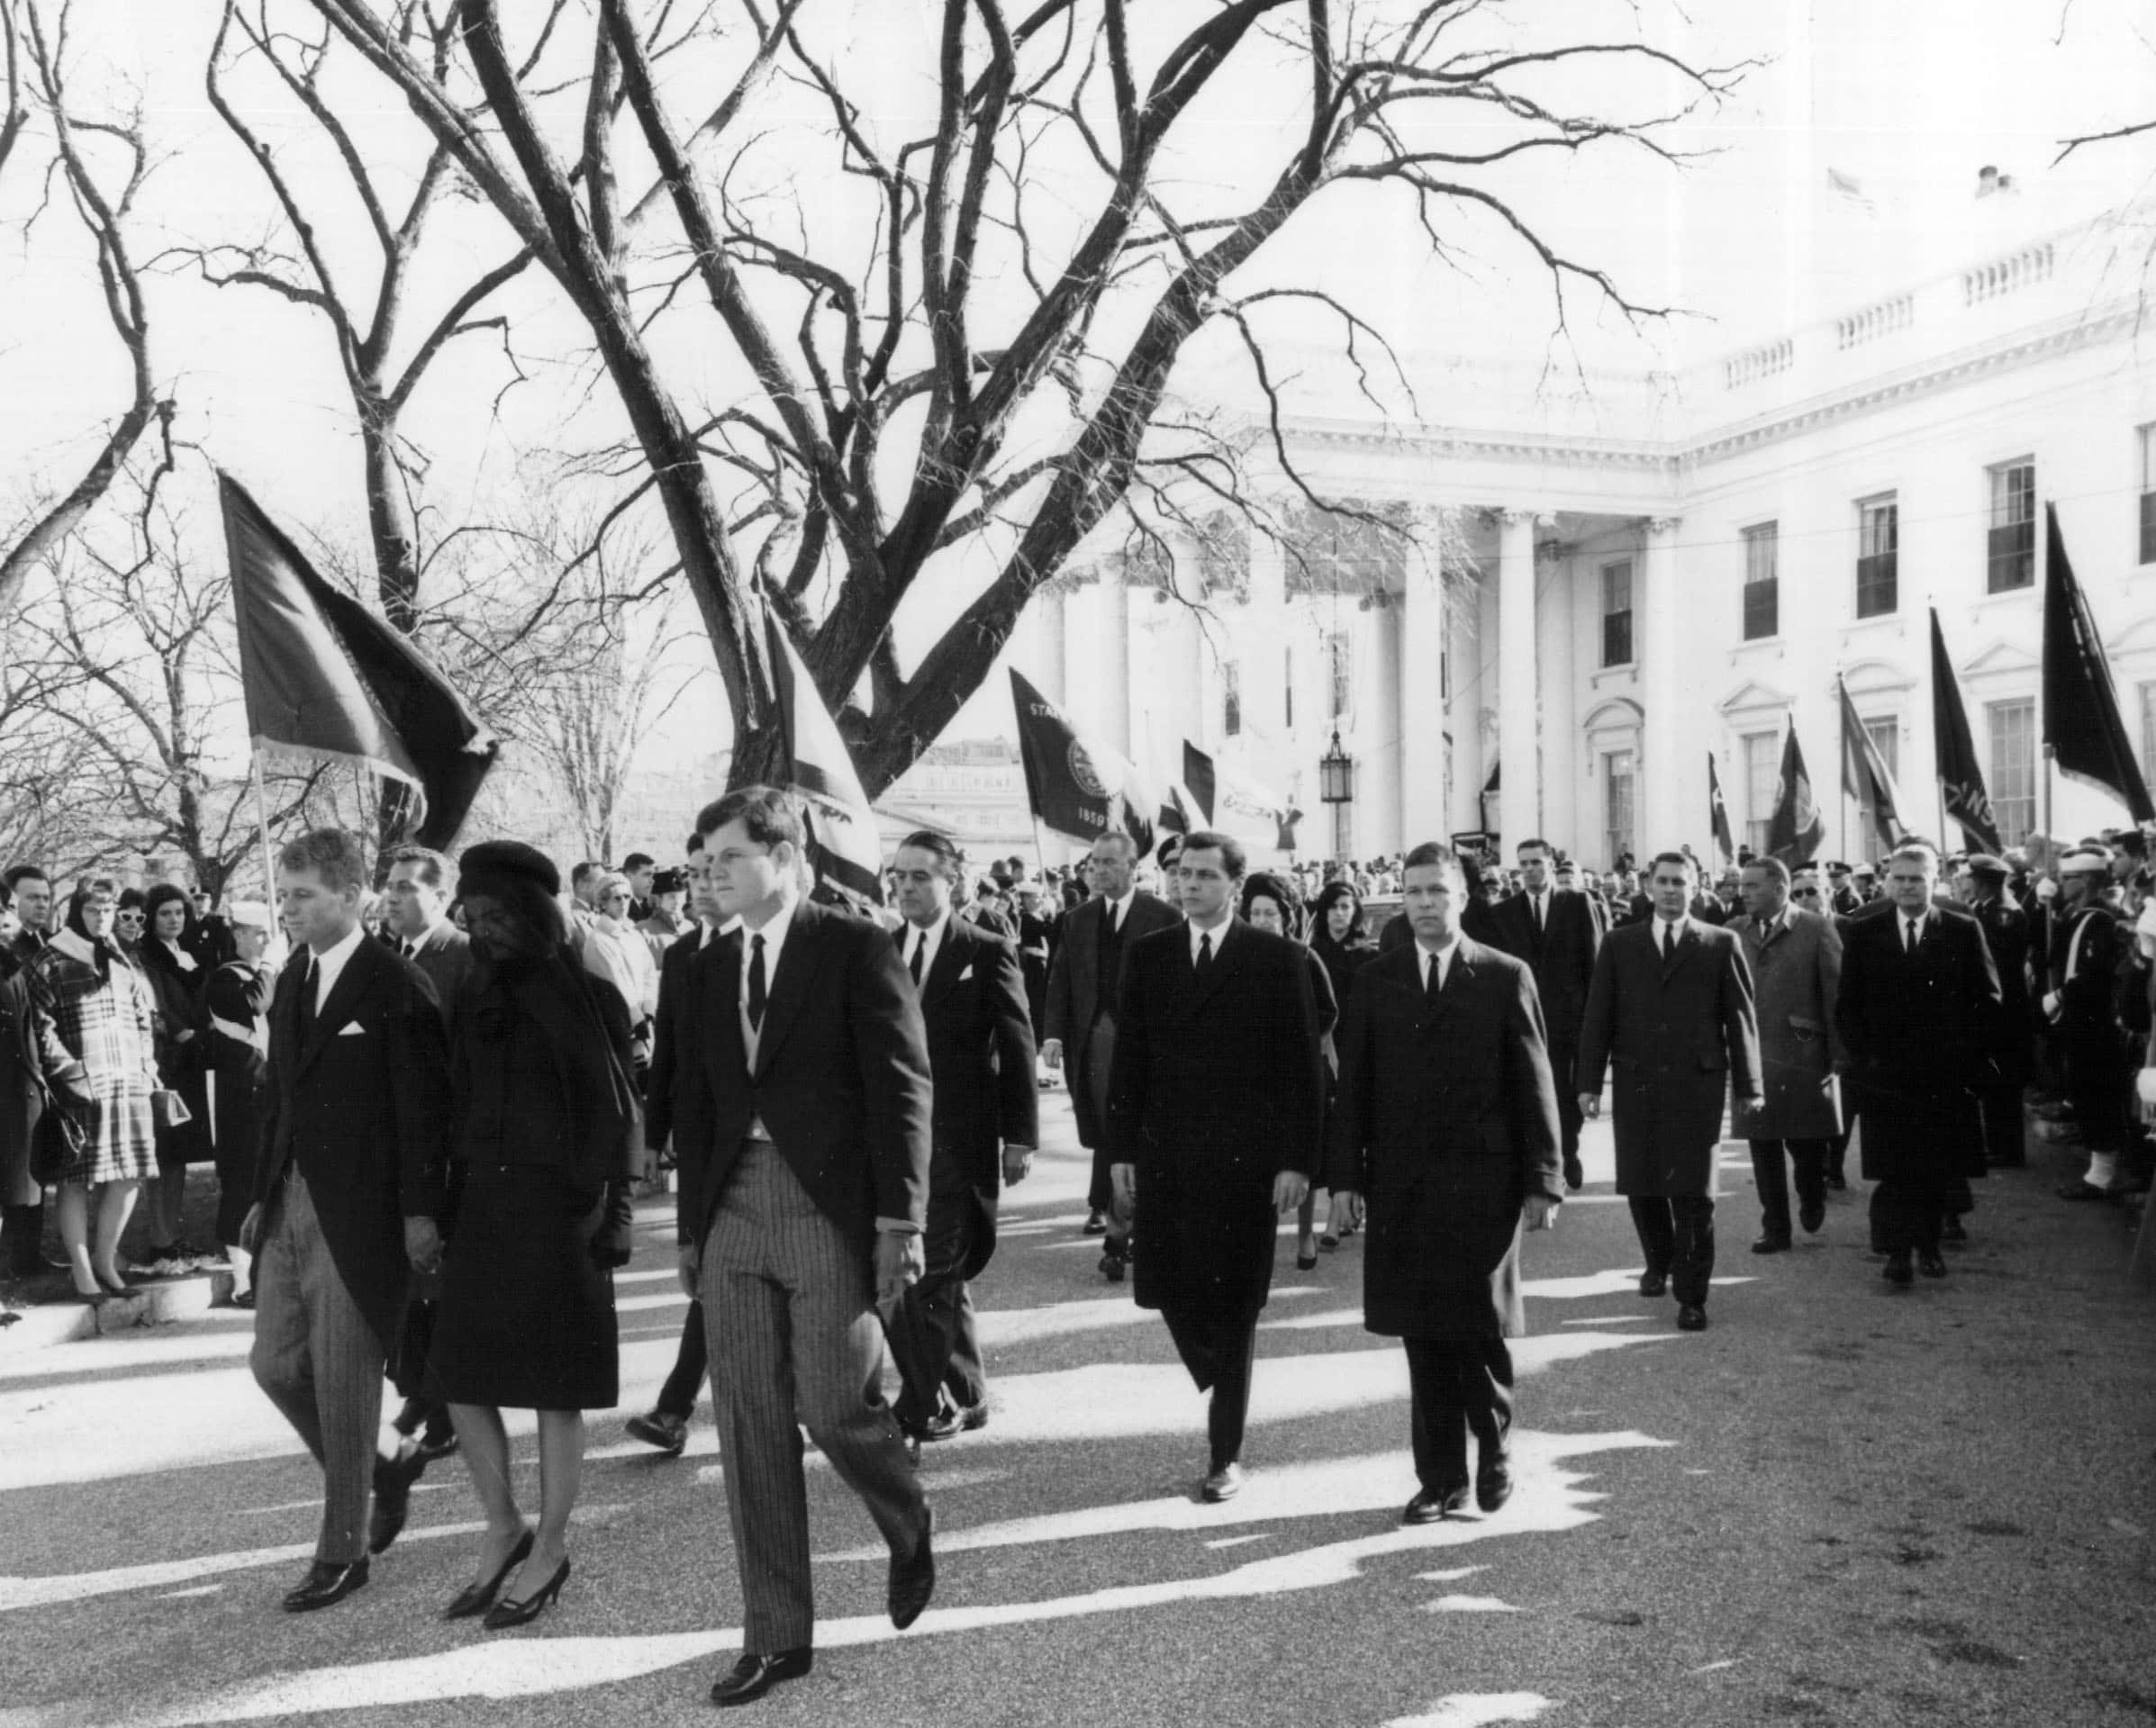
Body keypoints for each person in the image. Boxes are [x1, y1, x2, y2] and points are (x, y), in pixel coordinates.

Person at [673, 787, 936, 1708]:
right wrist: (692, 1229)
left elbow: (903, 1087)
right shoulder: (699, 965)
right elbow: (693, 1103)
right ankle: (775, 1633)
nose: (711, 874)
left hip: (827, 1207)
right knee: (747, 1419)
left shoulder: (854, 946)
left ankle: (906, 1520)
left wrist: (900, 1222)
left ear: (783, 857)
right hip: (733, 1212)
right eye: (705, 861)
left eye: (729, 857)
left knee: (834, 1403)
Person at [240, 828, 451, 1613]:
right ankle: (386, 1461)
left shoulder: (395, 984)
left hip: (364, 1211)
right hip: (291, 1200)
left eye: (302, 895)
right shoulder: (293, 977)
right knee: (274, 1364)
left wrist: (421, 1214)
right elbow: (282, 1098)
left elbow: (425, 1112)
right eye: (284, 895)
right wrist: (262, 1192)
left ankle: (343, 1550)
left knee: (343, 1381)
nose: (288, 909)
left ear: (352, 895)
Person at [429, 841, 638, 1629]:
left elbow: (621, 1120)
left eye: (496, 916)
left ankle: (550, 1544)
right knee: (461, 1373)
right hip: (482, 1206)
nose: (483, 930)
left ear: (533, 915)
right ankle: (502, 1525)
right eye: (472, 917)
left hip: (565, 1214)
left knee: (557, 1387)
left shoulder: (592, 996)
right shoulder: (471, 993)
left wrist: (615, 1220)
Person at [1327, 841, 1562, 1522]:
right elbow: (1356, 1092)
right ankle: (1440, 1478)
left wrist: (1543, 1180)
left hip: (1483, 1185)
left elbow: (1534, 1081)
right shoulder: (1377, 978)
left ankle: (1494, 1450)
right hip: (1402, 1184)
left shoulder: (1503, 974)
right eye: (1414, 891)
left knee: (1477, 1325)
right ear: (1401, 898)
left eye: (1438, 890)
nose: (1426, 903)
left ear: (1462, 896)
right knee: (1421, 1331)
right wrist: (1345, 1179)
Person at [1106, 831, 1325, 1503]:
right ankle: (1216, 1373)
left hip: (1246, 1162)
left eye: (1204, 875)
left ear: (1236, 882)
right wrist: (1117, 1152)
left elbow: (1301, 1070)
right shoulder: (1149, 956)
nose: (1189, 885)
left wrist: (1297, 1162)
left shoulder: (1277, 958)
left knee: (1236, 1304)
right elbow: (1130, 1063)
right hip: (1167, 1154)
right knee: (1167, 1287)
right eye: (1181, 874)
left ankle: (1224, 1451)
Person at [885, 832, 1038, 1447]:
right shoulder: (881, 949)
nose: (907, 887)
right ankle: (967, 1390)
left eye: (921, 876)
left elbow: (1018, 1043)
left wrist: (1019, 1136)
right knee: (938, 1273)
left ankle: (920, 1402)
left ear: (953, 880)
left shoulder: (987, 948)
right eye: (899, 876)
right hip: (898, 1140)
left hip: (959, 1136)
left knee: (936, 1270)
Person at [1576, 850, 1762, 1332]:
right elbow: (1598, 1017)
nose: (1671, 889)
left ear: (1696, 887)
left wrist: (1749, 1085)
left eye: (1680, 881)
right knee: (1643, 1186)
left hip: (1695, 1088)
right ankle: (1659, 1261)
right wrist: (1588, 1084)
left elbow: (1740, 1021)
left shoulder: (1720, 943)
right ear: (1647, 886)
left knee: (1696, 1194)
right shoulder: (1620, 944)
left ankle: (1692, 1295)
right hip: (1638, 1084)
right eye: (1662, 881)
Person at [1835, 840, 2001, 1286]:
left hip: (1942, 1074)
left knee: (1932, 1165)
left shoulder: (1963, 930)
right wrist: (1863, 1058)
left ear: (1935, 882)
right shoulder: (1866, 931)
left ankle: (1927, 1245)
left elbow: (1988, 1000)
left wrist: (1968, 1059)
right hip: (1885, 1074)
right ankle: (1897, 1253)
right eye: (1901, 878)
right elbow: (1847, 1004)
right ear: (1889, 881)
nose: (1908, 887)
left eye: (1918, 879)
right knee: (1893, 1167)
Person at [372, 844, 476, 1532]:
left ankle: (437, 1405)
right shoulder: (379, 960)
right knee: (408, 1294)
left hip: (450, 1151)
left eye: (409, 887)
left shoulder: (463, 958)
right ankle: (426, 1400)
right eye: (390, 886)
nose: (395, 897)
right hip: (391, 1151)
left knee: (443, 1287)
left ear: (442, 894)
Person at [623, 836, 731, 1457]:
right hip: (701, 1138)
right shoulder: (686, 953)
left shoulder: (786, 951)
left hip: (773, 1148)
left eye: (714, 873)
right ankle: (674, 1407)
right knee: (712, 1270)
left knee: (728, 1272)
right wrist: (654, 1135)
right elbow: (669, 1055)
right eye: (693, 876)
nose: (702, 886)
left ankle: (675, 1404)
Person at [1040, 831, 1179, 1272]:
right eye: (1093, 862)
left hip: (1147, 1047)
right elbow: (1060, 979)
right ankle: (1119, 1229)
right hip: (1094, 1042)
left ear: (1133, 867)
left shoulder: (1164, 916)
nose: (1098, 871)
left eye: (1107, 863)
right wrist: (1053, 1034)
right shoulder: (1077, 919)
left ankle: (1123, 1235)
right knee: (1109, 1131)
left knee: (1142, 1133)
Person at [24, 880, 163, 1301]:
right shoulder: (51, 959)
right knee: (75, 1182)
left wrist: (145, 1066)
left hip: (128, 1085)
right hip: (82, 1088)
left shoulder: (121, 958)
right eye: (93, 911)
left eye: (110, 912)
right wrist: (72, 1075)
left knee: (130, 1175)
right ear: (77, 912)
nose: (102, 919)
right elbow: (42, 1029)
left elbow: (143, 1019)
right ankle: (83, 1272)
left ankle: (106, 1259)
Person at [1733, 856, 1844, 1253]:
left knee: (1807, 1145)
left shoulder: (1815, 929)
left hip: (1802, 1053)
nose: (1742, 893)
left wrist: (1837, 1052)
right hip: (1751, 1056)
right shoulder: (1733, 931)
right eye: (1742, 886)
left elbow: (1835, 994)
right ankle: (1775, 1227)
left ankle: (1812, 1195)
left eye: (1752, 887)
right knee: (1762, 1147)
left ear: (1779, 888)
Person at [1486, 837, 1602, 1191]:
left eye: (1536, 862)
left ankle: (1568, 1151)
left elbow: (1594, 965)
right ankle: (1541, 1160)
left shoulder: (1579, 903)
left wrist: (1592, 1019)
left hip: (1569, 1018)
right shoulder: (1504, 913)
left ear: (1551, 864)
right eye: (1523, 864)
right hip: (1524, 1018)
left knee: (1567, 1094)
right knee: (1531, 1090)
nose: (1530, 870)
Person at [1239, 872, 1337, 1270]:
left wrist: (1300, 1039)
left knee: (1300, 1157)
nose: (1262, 920)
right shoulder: (1238, 955)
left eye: (1270, 913)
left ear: (1285, 917)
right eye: (1256, 912)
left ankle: (1304, 1236)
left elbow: (1329, 1010)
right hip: (1250, 1077)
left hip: (1296, 1074)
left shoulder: (1303, 956)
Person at [132, 883, 214, 1274]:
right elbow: (159, 1008)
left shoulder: (191, 953)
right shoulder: (147, 957)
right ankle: (159, 1238)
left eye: (179, 913)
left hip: (194, 1061)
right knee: (164, 1152)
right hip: (169, 1060)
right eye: (165, 914)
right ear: (152, 918)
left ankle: (172, 1234)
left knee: (180, 1153)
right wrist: (184, 1033)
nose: (173, 920)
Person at [201, 901, 276, 1308]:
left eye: (268, 932)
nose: (266, 940)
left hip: (266, 1089)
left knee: (264, 1179)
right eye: (259, 932)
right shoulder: (225, 979)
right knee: (240, 1181)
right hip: (240, 1092)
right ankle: (242, 1280)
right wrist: (270, 969)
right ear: (239, 935)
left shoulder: (263, 974)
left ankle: (263, 1272)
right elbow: (255, 1004)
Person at [2045, 849, 2132, 1203]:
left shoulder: (2104, 920)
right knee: (2085, 1091)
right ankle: (2099, 1170)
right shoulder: (2075, 916)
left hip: (2096, 1023)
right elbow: (2049, 952)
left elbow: (2094, 973)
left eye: (2067, 879)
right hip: (2078, 1022)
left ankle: (2102, 1175)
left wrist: (2062, 995)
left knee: (2099, 1096)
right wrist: (2044, 909)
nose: (2062, 884)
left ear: (2087, 881)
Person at [1962, 855, 2033, 1172]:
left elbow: (1999, 968)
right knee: (1991, 1079)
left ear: (1986, 881)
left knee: (2003, 1081)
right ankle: (1996, 1143)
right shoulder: (1983, 910)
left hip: (2005, 1012)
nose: (1969, 884)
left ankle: (2009, 1149)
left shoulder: (2004, 915)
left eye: (1973, 879)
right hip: (1987, 1010)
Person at [583, 869, 659, 1074]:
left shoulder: (633, 935)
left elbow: (649, 972)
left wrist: (649, 1009)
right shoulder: (598, 941)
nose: (624, 902)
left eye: (627, 896)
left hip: (643, 1021)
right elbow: (615, 985)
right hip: (619, 1026)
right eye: (617, 898)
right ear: (603, 903)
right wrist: (637, 1019)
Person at [621, 852, 657, 924]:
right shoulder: (621, 909)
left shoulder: (647, 906)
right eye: (647, 875)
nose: (652, 881)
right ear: (628, 877)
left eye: (652, 876)